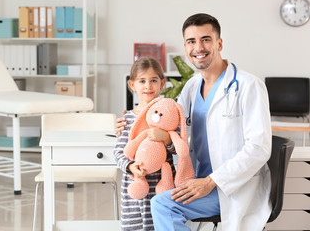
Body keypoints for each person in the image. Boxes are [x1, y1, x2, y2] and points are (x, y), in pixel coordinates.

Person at [116, 13, 272, 231]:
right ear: (186, 47)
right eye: (191, 41)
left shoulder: (248, 86)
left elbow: (258, 148)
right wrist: (132, 121)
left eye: (206, 39)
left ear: (219, 43)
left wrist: (211, 181)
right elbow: (169, 127)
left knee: (163, 205)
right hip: (196, 181)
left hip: (232, 187)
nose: (198, 47)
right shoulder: (191, 87)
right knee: (162, 203)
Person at [114, 57, 177, 231]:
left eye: (153, 80)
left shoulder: (169, 119)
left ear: (162, 83)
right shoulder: (127, 119)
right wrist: (131, 167)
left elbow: (177, 148)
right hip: (135, 185)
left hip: (161, 186)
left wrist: (165, 138)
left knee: (161, 224)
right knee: (134, 226)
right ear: (132, 85)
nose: (148, 86)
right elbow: (119, 153)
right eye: (142, 81)